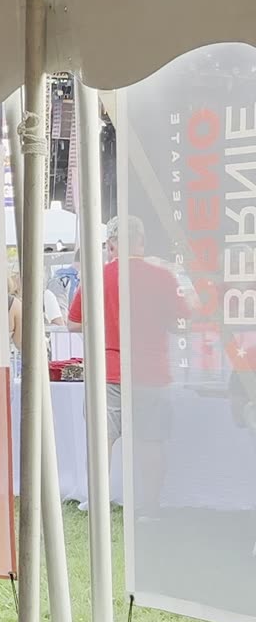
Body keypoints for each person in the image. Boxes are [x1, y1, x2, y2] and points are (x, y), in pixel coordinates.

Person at [68, 215, 187, 505]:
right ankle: (149, 506)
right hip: (151, 372)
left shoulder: (97, 276)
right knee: (151, 442)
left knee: (101, 441)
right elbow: (179, 321)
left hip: (107, 371)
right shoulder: (162, 276)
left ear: (111, 244)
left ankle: (97, 502)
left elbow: (73, 323)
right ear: (142, 241)